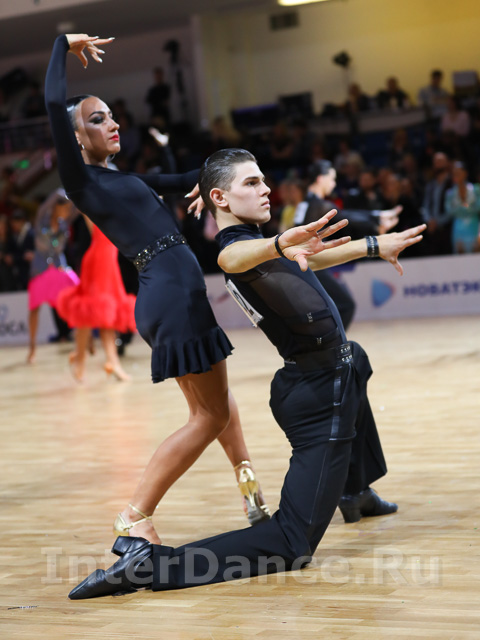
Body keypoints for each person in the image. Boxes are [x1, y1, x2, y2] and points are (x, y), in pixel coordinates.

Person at [68, 148, 425, 599]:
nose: (266, 189)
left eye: (263, 180)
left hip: (327, 376)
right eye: (251, 183)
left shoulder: (261, 244)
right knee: (293, 543)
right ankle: (150, 565)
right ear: (219, 197)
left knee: (354, 360)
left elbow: (311, 259)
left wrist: (375, 246)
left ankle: (356, 492)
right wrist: (278, 243)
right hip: (317, 395)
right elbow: (232, 260)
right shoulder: (237, 249)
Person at [45, 34, 270, 541]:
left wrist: (234, 169)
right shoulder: (82, 181)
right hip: (168, 297)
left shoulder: (123, 177)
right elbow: (53, 105)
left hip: (177, 293)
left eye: (111, 116)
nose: (112, 123)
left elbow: (189, 176)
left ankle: (251, 492)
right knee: (208, 416)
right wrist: (62, 45)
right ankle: (135, 515)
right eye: (97, 119)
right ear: (75, 136)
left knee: (217, 404)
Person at [293, 160, 401, 330]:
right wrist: (378, 218)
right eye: (332, 178)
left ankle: (328, 343)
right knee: (346, 305)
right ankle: (333, 345)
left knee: (336, 307)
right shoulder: (318, 205)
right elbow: (345, 216)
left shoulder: (305, 203)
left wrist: (377, 220)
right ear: (321, 179)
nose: (334, 183)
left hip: (303, 263)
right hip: (308, 265)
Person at [56, 217, 136, 382]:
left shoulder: (116, 206)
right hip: (99, 259)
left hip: (110, 260)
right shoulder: (95, 205)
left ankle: (111, 361)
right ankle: (80, 358)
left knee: (107, 313)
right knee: (90, 310)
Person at [27, 189, 79, 364]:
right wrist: (61, 193)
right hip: (40, 269)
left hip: (59, 268)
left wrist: (76, 192)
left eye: (69, 209)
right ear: (56, 207)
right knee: (34, 308)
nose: (67, 212)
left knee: (77, 296)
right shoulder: (41, 220)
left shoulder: (64, 224)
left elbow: (77, 208)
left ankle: (83, 340)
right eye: (65, 208)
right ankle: (32, 348)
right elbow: (46, 205)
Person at [445, 161, 480, 254]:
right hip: (458, 227)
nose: (456, 176)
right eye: (454, 174)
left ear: (465, 173)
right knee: (460, 252)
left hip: (474, 225)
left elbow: (478, 207)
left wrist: (463, 208)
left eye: (458, 173)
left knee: (476, 251)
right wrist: (467, 208)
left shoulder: (476, 189)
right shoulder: (450, 193)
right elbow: (449, 211)